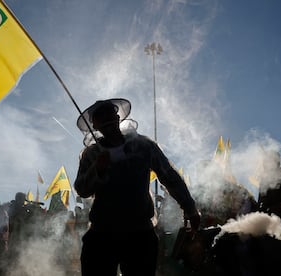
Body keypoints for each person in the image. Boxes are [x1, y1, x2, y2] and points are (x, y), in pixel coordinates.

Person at [74, 98, 201, 276]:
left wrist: (190, 209)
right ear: (94, 125)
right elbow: (82, 189)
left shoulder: (143, 146)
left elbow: (169, 176)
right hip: (102, 234)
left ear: (118, 117)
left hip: (140, 234)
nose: (107, 120)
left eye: (109, 114)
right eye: (100, 117)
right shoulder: (91, 154)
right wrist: (97, 169)